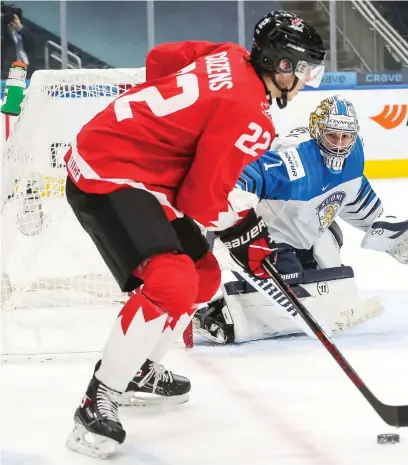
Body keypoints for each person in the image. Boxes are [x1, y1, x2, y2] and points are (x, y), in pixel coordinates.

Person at [63, 11, 325, 459]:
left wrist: (162, 132)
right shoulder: (250, 117)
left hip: (136, 168)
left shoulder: (229, 55)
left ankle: (139, 369)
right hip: (107, 172)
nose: (306, 81)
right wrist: (247, 230)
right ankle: (97, 398)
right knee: (172, 281)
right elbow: (201, 203)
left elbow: (160, 58)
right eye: (305, 71)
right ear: (282, 66)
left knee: (202, 279)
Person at [193, 95, 408, 344]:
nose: (339, 144)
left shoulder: (354, 156)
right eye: (332, 135)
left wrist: (391, 235)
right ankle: (215, 314)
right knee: (293, 285)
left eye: (346, 137)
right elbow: (244, 174)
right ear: (317, 129)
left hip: (306, 232)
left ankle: (297, 291)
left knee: (331, 264)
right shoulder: (295, 158)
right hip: (267, 235)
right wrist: (231, 216)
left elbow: (353, 199)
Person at [1, 3, 36, 77]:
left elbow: (33, 46)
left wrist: (20, 28)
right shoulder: (4, 33)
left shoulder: (23, 30)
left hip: (26, 70)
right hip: (10, 72)